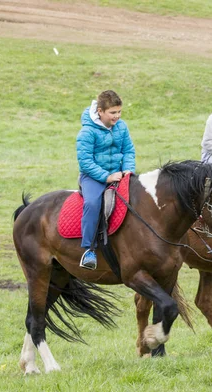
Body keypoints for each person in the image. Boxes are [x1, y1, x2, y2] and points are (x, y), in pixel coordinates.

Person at [76, 90, 135, 269]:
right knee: (93, 204)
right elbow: (85, 162)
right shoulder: (87, 132)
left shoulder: (122, 127)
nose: (117, 116)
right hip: (93, 177)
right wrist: (106, 177)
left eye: (119, 112)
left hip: (119, 173)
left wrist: (128, 169)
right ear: (100, 111)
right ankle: (89, 250)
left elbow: (128, 150)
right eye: (112, 113)